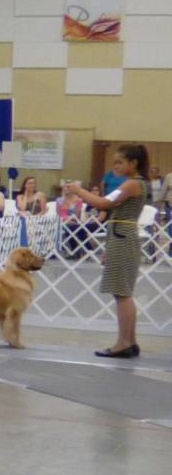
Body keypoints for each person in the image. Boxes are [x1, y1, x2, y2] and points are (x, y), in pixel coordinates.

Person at [64, 144, 151, 358]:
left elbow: (103, 203)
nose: (115, 166)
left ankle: (123, 343)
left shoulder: (132, 184)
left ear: (133, 163)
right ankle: (130, 341)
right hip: (120, 235)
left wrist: (79, 191)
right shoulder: (134, 183)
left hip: (122, 236)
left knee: (122, 293)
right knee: (123, 292)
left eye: (120, 162)